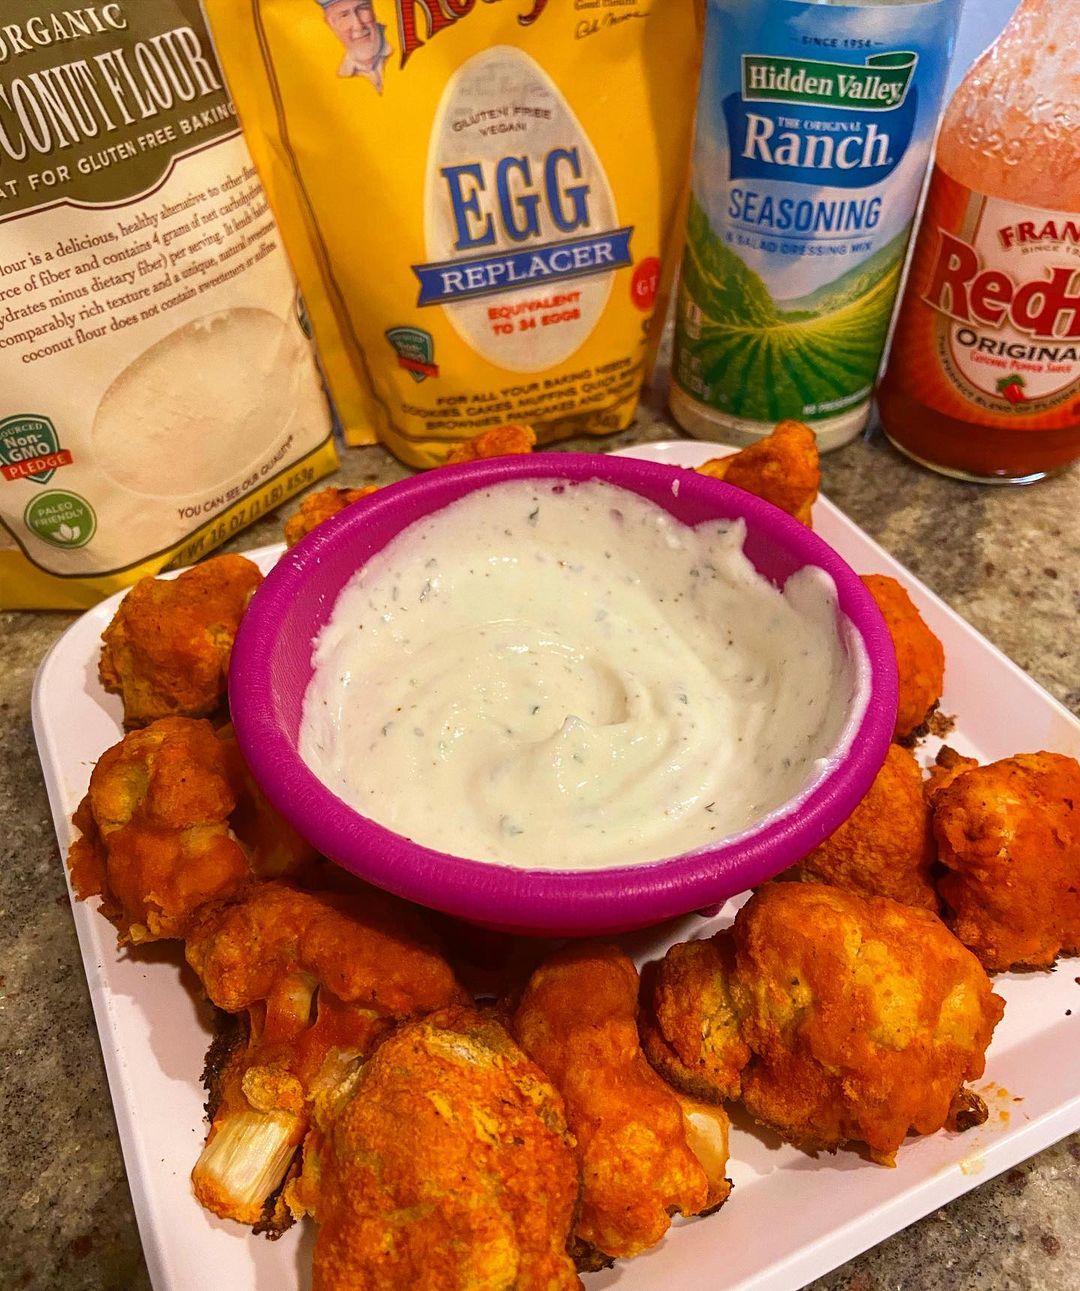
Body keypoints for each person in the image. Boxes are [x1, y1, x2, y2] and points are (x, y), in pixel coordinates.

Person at [320, 0, 392, 90]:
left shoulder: (399, 44)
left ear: (373, 9)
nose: (358, 26)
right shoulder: (333, 78)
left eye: (362, 8)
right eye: (344, 15)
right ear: (331, 24)